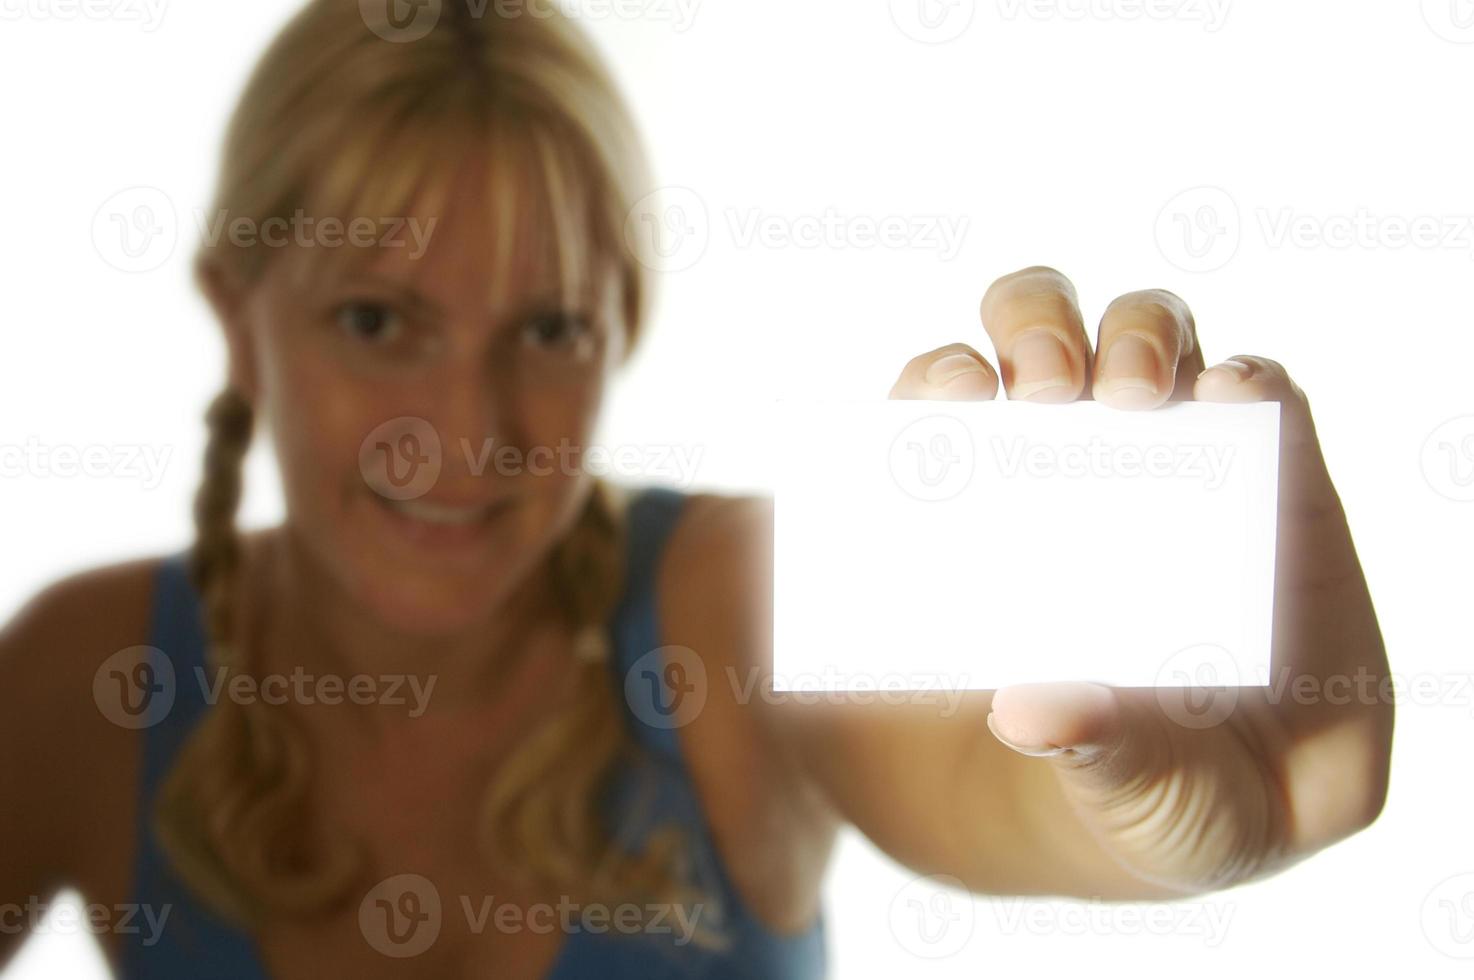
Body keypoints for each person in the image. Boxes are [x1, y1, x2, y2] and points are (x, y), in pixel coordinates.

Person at [0, 1, 1392, 977]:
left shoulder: (727, 603)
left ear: (621, 332)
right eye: (377, 321)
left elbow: (995, 778)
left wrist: (1198, 813)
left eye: (546, 330)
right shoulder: (89, 674)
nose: (464, 431)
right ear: (241, 320)